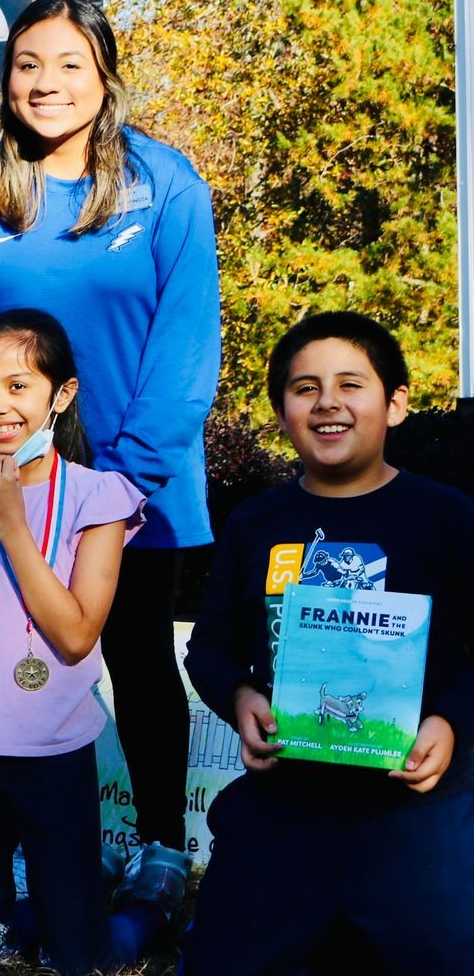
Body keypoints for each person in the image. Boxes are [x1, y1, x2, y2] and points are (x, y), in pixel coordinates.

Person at [0, 0, 219, 879]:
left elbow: (186, 346)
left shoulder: (167, 184)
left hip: (141, 486)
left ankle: (161, 851)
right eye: (28, 64)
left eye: (68, 64)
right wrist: (9, 467)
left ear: (104, 76)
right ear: (7, 78)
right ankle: (19, 854)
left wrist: (116, 489)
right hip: (13, 481)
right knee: (12, 659)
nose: (46, 83)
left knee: (137, 659)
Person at [183, 312, 474, 972]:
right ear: (282, 412)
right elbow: (211, 647)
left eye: (351, 384)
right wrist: (240, 697)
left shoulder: (448, 517)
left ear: (395, 403)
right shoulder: (256, 522)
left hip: (418, 808)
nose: (327, 402)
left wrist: (451, 723)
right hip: (288, 802)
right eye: (305, 387)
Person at [0, 309, 178, 973]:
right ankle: (76, 889)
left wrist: (11, 522)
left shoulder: (99, 498)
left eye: (18, 385)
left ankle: (148, 906)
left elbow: (77, 634)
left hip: (53, 757)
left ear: (62, 393)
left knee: (80, 960)